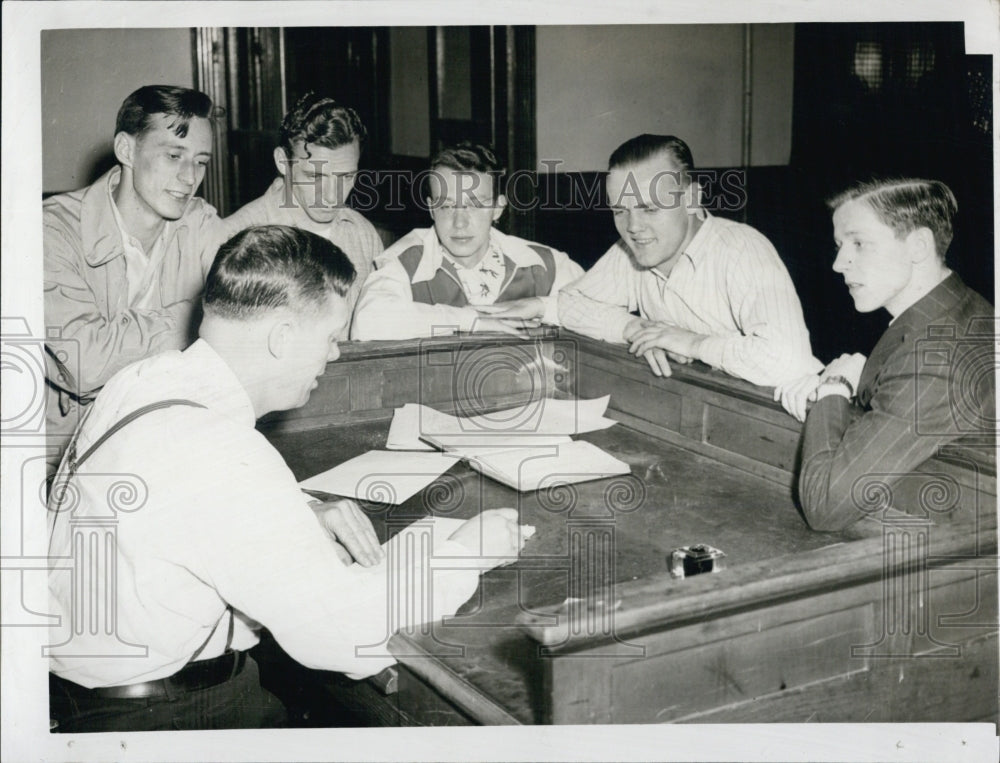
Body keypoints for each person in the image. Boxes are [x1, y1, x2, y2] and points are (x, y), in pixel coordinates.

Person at [46, 225, 526, 732]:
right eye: (331, 336)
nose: (335, 353)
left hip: (84, 690)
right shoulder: (222, 448)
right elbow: (342, 634)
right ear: (282, 337)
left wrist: (301, 509)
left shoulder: (145, 379)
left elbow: (184, 500)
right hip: (162, 715)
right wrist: (467, 551)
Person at [774, 179, 995, 531]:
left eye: (859, 243)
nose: (838, 263)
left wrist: (833, 386)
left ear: (918, 245)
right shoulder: (951, 310)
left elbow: (824, 506)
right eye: (839, 245)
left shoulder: (935, 359)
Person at [43, 84, 227, 475]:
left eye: (201, 161)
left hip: (163, 444)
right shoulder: (51, 231)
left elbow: (246, 314)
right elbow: (84, 363)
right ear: (126, 150)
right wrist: (197, 318)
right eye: (173, 155)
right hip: (62, 461)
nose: (189, 176)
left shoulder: (200, 223)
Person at [557, 134, 821, 387]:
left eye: (650, 208)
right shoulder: (634, 247)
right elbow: (567, 303)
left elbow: (789, 360)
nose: (633, 227)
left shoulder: (742, 250)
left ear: (692, 199)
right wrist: (635, 328)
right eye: (619, 210)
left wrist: (691, 343)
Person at [351, 142, 584, 340]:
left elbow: (605, 309)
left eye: (474, 205)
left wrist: (542, 306)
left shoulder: (542, 263)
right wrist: (469, 319)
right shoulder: (405, 261)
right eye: (447, 205)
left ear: (497, 208)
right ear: (432, 209)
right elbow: (366, 323)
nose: (459, 223)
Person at [223, 92, 383, 334]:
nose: (332, 196)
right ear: (282, 162)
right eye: (315, 176)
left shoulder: (363, 235)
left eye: (346, 177)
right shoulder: (236, 237)